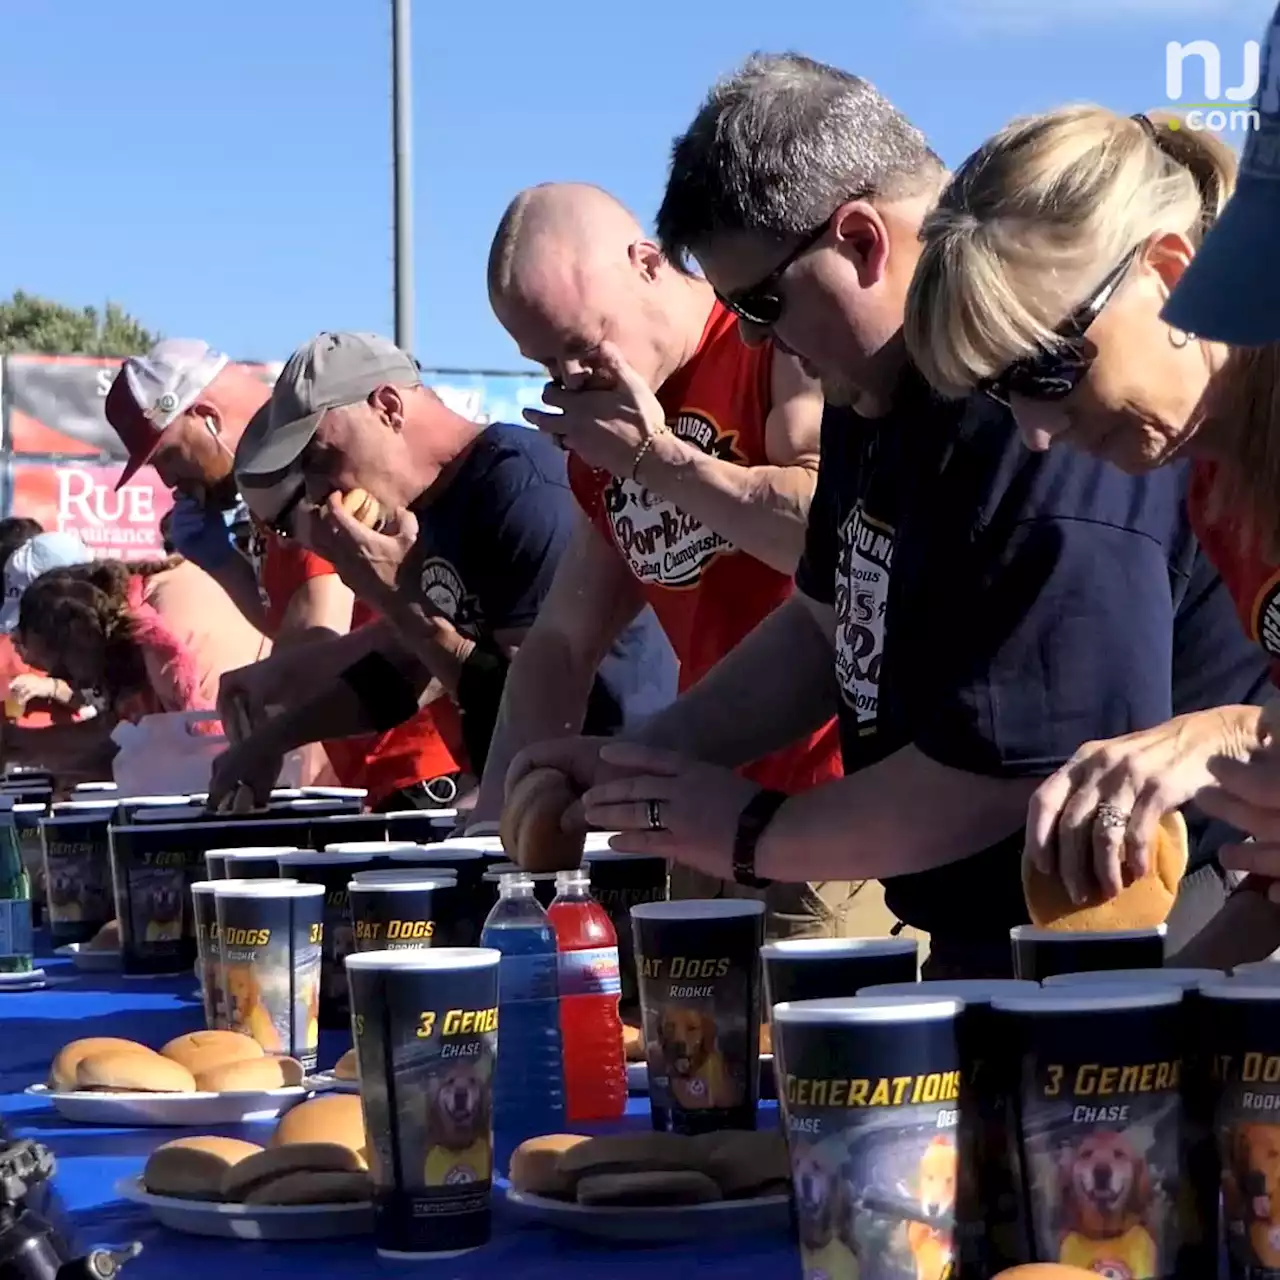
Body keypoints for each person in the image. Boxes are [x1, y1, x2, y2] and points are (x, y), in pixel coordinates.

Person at [506, 54, 1271, 977]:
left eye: (759, 299)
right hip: (1067, 935)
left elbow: (1024, 758)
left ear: (862, 240)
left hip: (1125, 928)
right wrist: (645, 760)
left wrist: (756, 833)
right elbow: (834, 621)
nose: (1037, 429)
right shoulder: (884, 390)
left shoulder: (1073, 407)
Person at [898, 91, 1280, 963]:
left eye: (1049, 366)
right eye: (1003, 391)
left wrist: (1214, 737)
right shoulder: (1217, 482)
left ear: (1172, 274)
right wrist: (1151, 1021)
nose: (1037, 429)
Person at [476, 183, 856, 936]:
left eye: (583, 344)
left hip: (832, 812)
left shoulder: (767, 338)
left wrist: (657, 460)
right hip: (698, 815)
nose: (571, 376)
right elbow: (561, 640)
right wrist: (492, 823)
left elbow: (826, 536)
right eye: (545, 361)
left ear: (647, 263)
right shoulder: (609, 432)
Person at [207, 330, 676, 809]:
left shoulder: (520, 493)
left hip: (616, 810)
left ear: (388, 407)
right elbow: (404, 673)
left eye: (321, 459)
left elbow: (530, 711)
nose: (321, 491)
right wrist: (270, 740)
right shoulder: (434, 505)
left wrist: (396, 598)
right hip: (556, 803)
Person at [232, 462, 469, 809]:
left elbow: (320, 650)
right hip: (385, 769)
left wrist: (269, 729)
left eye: (167, 454)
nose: (167, 477)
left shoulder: (312, 524)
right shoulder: (282, 531)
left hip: (419, 770)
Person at [4, 551, 271, 783]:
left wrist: (28, 747)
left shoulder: (164, 643)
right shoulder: (143, 598)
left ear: (80, 635)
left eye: (62, 670)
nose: (70, 683)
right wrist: (21, 742)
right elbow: (121, 731)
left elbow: (142, 754)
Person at [105, 339, 271, 630]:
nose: (168, 480)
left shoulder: (310, 472)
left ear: (208, 419)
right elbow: (288, 634)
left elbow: (314, 644)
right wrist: (225, 566)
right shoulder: (274, 496)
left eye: (169, 456)